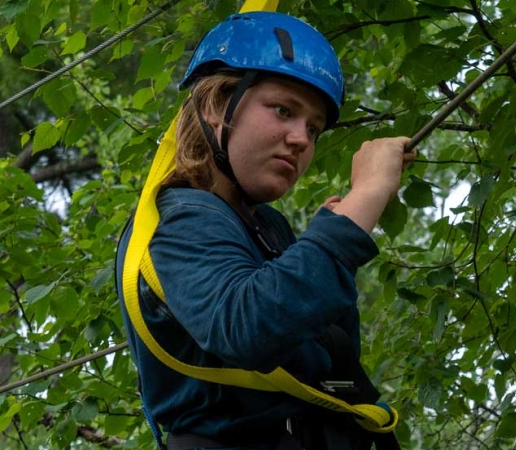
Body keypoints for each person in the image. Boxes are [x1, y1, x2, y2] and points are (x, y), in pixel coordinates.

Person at [115, 11, 414, 450]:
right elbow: (247, 327)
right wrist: (364, 198)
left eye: (313, 128)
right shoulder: (178, 218)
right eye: (283, 110)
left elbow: (328, 359)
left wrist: (319, 245)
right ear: (217, 107)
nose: (301, 139)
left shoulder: (265, 227)